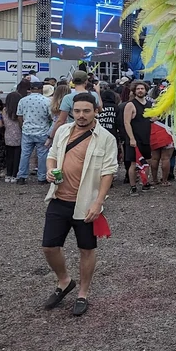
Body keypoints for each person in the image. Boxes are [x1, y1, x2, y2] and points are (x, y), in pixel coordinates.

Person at [41, 93, 117, 316]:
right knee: (49, 247)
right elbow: (52, 155)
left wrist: (98, 202)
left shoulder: (106, 138)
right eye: (77, 111)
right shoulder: (63, 131)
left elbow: (108, 172)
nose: (81, 115)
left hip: (86, 203)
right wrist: (50, 169)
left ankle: (83, 293)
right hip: (59, 198)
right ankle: (64, 281)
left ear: (95, 111)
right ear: (72, 111)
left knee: (86, 248)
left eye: (86, 111)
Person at [16, 82, 54, 185]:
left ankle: (21, 176)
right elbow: (51, 117)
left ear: (30, 89)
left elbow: (19, 116)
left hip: (27, 131)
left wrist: (22, 126)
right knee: (42, 155)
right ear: (41, 89)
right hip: (42, 131)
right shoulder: (47, 101)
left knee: (25, 154)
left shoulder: (23, 100)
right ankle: (42, 177)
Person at [123, 81, 153, 196]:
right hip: (134, 139)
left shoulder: (149, 104)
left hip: (146, 138)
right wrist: (131, 138)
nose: (140, 91)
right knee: (133, 163)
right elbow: (126, 122)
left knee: (147, 161)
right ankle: (133, 186)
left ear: (146, 90)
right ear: (134, 91)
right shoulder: (130, 105)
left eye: (142, 89)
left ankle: (145, 183)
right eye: (138, 89)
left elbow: (152, 119)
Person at [2, 90, 24, 183]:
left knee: (9, 155)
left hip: (8, 134)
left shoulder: (5, 110)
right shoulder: (20, 109)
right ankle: (15, 174)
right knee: (17, 156)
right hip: (19, 134)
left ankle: (8, 174)